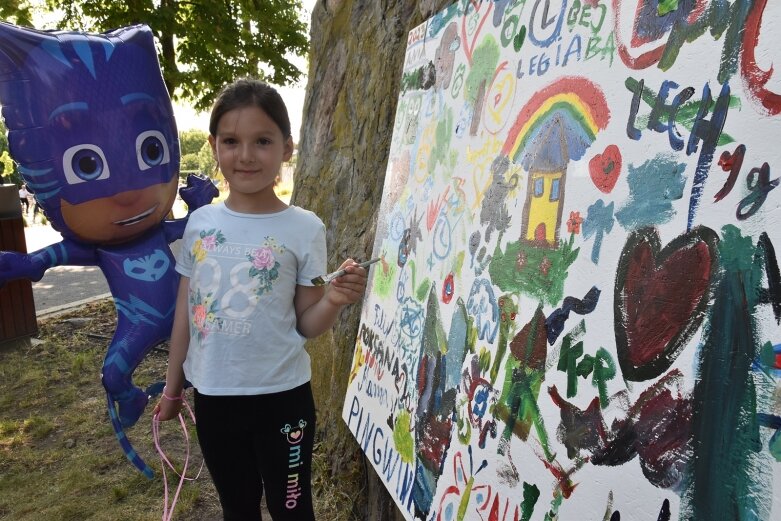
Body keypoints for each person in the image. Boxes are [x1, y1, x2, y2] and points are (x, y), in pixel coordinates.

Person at [154, 78, 369, 521]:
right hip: (214, 400)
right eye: (231, 141)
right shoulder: (200, 224)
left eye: (262, 141)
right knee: (238, 509)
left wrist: (333, 299)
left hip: (283, 400)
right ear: (214, 146)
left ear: (287, 148)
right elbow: (184, 317)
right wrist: (173, 389)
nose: (246, 155)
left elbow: (306, 322)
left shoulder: (306, 228)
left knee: (292, 510)